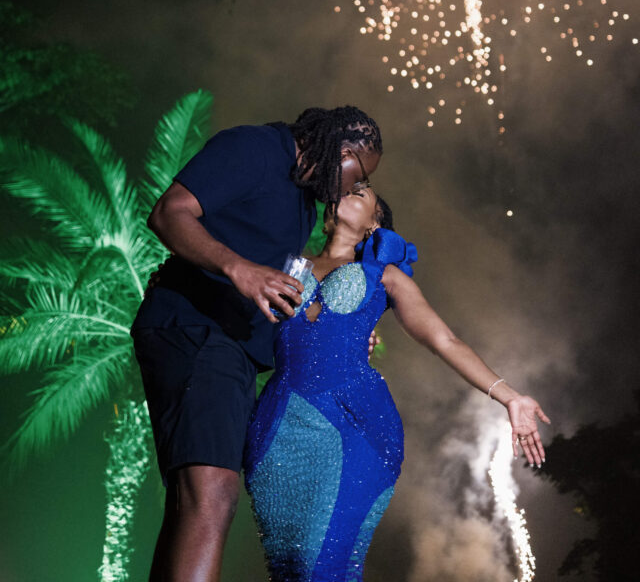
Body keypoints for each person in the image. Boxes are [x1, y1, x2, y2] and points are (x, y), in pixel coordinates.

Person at [244, 186, 550, 582]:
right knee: (288, 568)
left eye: (361, 193)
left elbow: (444, 340)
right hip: (278, 429)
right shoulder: (287, 264)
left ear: (375, 224)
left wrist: (511, 398)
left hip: (351, 427)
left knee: (323, 564)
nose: (348, 191)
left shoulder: (384, 276)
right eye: (345, 189)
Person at [131, 106, 383, 582]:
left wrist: (340, 336)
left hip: (229, 349)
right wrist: (237, 268)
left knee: (194, 501)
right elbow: (169, 212)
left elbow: (276, 292)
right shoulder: (255, 148)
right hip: (199, 330)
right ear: (343, 153)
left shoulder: (301, 201)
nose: (350, 189)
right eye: (359, 176)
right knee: (213, 492)